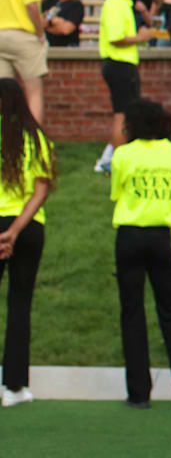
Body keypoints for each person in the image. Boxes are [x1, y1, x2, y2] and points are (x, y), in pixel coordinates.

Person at [110, 98, 171, 410]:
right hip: (161, 237)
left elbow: (117, 192)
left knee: (132, 312)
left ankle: (138, 393)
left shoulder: (123, 154)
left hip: (128, 235)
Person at [0, 78, 53, 409]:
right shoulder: (36, 138)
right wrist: (15, 231)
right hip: (28, 227)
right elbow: (41, 189)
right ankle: (15, 387)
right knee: (20, 305)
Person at [96, 0, 153, 173]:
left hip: (123, 63)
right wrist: (140, 38)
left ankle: (117, 159)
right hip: (119, 63)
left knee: (126, 113)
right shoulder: (115, 3)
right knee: (122, 114)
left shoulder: (124, 2)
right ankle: (117, 163)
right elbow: (116, 37)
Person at [0, 0, 47, 125]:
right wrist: (39, 32)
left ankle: (5, 141)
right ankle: (34, 144)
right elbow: (31, 5)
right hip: (22, 34)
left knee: (4, 95)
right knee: (33, 92)